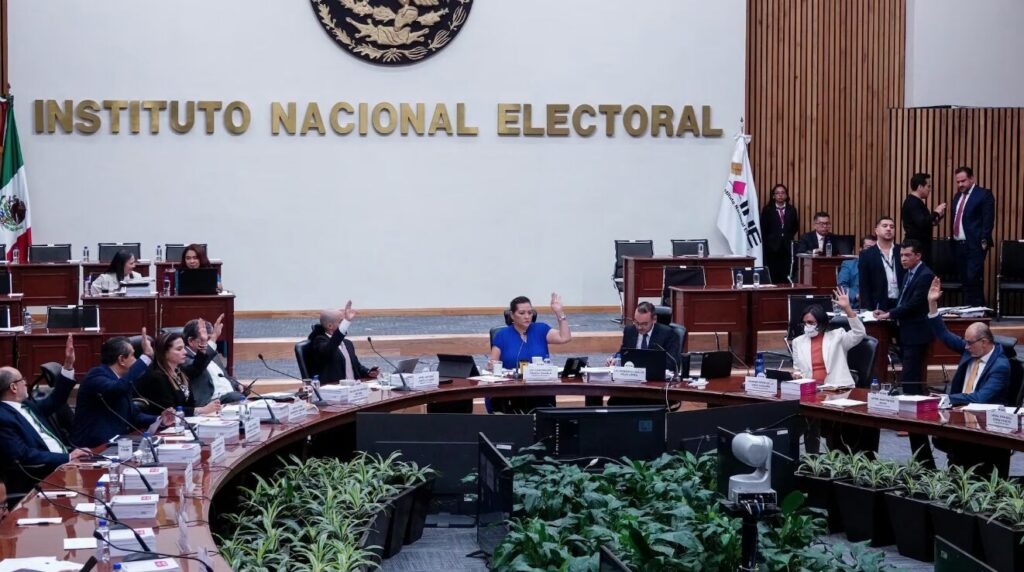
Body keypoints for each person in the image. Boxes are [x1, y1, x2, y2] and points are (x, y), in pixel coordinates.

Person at [913, 276, 1012, 475]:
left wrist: (948, 398)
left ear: (984, 342)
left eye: (969, 343)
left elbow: (980, 398)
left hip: (984, 425)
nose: (965, 347)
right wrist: (932, 304)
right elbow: (944, 335)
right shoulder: (972, 350)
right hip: (959, 417)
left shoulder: (1000, 366)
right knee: (917, 428)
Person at [0, 335, 92, 498]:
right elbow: (24, 455)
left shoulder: (28, 406)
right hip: (42, 475)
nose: (26, 383)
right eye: (22, 380)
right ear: (13, 387)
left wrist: (68, 366)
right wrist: (67, 457)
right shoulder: (3, 418)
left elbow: (56, 400)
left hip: (65, 464)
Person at [72, 328, 176, 448]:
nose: (136, 360)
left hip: (119, 444)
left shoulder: (123, 380)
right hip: (93, 447)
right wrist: (146, 357)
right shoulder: (96, 375)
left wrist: (160, 420)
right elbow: (116, 389)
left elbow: (134, 415)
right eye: (133, 355)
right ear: (121, 359)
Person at [489, 293, 571, 413]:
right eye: (522, 313)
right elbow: (493, 364)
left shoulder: (541, 329)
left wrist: (559, 312)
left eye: (530, 312)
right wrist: (492, 365)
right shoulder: (502, 335)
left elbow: (565, 337)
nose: (527, 316)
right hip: (512, 390)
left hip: (540, 388)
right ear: (512, 315)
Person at [872, 240, 935, 395]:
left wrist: (890, 314)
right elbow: (903, 301)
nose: (903, 259)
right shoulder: (908, 274)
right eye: (901, 255)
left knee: (910, 374)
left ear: (918, 256)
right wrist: (888, 312)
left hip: (917, 332)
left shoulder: (926, 275)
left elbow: (914, 304)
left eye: (907, 255)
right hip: (906, 330)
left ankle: (912, 402)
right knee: (910, 373)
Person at [601, 301, 682, 406]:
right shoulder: (629, 331)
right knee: (614, 403)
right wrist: (615, 359)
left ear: (654, 319)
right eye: (636, 322)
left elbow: (671, 364)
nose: (639, 327)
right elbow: (623, 353)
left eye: (644, 324)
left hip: (655, 388)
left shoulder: (668, 334)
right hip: (631, 385)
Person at [134, 325, 223, 417]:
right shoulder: (156, 377)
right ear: (164, 352)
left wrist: (204, 342)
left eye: (184, 348)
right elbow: (169, 410)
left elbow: (198, 366)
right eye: (179, 349)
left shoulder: (179, 372)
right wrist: (202, 410)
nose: (185, 352)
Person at [791, 288, 865, 387]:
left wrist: (847, 309)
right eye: (804, 323)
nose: (806, 326)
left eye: (810, 322)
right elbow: (797, 369)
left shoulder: (837, 337)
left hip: (837, 387)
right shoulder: (798, 342)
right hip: (810, 388)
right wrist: (796, 375)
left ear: (821, 322)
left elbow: (859, 333)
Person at [950, 167, 995, 306]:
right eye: (958, 182)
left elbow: (988, 220)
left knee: (973, 278)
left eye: (963, 181)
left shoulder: (983, 194)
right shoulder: (957, 196)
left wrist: (984, 241)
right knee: (965, 279)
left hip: (975, 245)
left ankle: (976, 310)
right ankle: (975, 309)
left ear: (972, 178)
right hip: (958, 244)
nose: (960, 184)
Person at [307, 301, 379, 383]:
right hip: (335, 388)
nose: (345, 324)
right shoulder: (319, 342)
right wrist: (347, 321)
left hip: (355, 387)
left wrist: (368, 372)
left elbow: (356, 367)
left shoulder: (348, 343)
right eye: (342, 322)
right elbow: (331, 347)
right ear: (330, 326)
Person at [183, 315, 245, 406]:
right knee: (237, 398)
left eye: (209, 339)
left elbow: (222, 376)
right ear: (191, 341)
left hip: (230, 397)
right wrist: (214, 337)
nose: (209, 343)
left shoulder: (212, 353)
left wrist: (237, 385)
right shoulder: (183, 357)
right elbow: (196, 368)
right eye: (205, 339)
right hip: (210, 402)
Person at [859, 216, 904, 312]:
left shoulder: (902, 251)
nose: (889, 229)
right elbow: (864, 285)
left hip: (901, 303)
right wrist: (868, 311)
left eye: (892, 227)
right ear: (876, 230)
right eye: (885, 226)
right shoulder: (867, 254)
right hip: (879, 304)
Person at [901, 173, 946, 264]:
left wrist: (935, 219)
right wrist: (936, 212)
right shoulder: (913, 202)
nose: (930, 189)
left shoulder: (915, 201)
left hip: (920, 245)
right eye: (928, 186)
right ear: (920, 187)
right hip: (916, 246)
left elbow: (922, 222)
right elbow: (922, 222)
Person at [760, 184, 799, 284]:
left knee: (786, 274)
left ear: (786, 195)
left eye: (782, 193)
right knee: (773, 274)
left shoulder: (791, 209)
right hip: (771, 247)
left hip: (787, 247)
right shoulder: (767, 210)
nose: (780, 195)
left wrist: (785, 235)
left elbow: (795, 226)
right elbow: (763, 228)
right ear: (773, 196)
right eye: (777, 193)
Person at [837, 235, 876, 309]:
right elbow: (842, 286)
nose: (872, 251)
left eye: (875, 248)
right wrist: (856, 296)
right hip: (855, 305)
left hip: (876, 305)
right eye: (868, 247)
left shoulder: (881, 265)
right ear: (860, 249)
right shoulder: (848, 264)